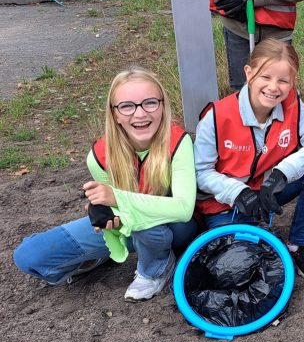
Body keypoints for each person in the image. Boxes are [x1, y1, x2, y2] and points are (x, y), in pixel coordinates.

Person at [14, 68, 197, 302]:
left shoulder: (178, 142)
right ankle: (99, 257)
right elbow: (113, 209)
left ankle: (155, 270)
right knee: (30, 256)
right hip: (126, 229)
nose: (140, 114)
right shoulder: (99, 155)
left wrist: (118, 199)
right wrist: (103, 212)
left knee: (148, 224)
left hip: (174, 229)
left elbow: (183, 209)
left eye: (150, 103)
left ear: (163, 106)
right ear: (115, 114)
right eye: (127, 106)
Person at [194, 39, 304, 281]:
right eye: (265, 77)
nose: (274, 87)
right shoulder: (217, 116)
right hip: (227, 204)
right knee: (237, 268)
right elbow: (200, 172)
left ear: (293, 82)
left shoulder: (293, 105)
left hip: (269, 191)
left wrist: (282, 172)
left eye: (283, 80)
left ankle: (297, 246)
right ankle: (254, 234)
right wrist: (236, 191)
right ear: (249, 73)